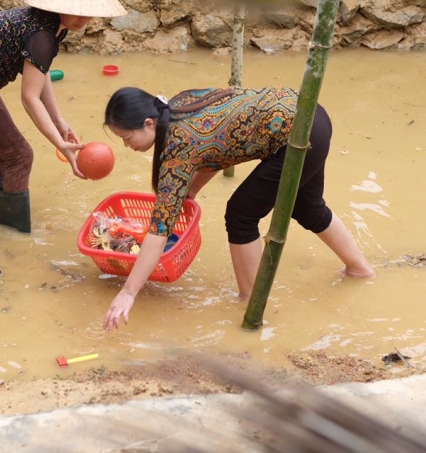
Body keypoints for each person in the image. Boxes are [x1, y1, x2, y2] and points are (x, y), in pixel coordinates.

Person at [101, 86, 376, 331]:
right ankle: (360, 270)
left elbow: (159, 230)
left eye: (127, 137)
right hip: (311, 114)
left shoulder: (177, 146)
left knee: (240, 215)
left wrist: (128, 292)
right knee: (308, 208)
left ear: (148, 124)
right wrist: (192, 191)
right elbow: (213, 149)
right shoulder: (179, 104)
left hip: (297, 137)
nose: (127, 145)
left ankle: (252, 303)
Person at [0, 0, 127, 233]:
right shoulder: (42, 34)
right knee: (20, 155)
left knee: (6, 147)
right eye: (77, 13)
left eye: (88, 15)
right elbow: (30, 97)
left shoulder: (51, 24)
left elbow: (40, 69)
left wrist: (59, 120)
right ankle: (12, 233)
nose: (83, 19)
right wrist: (60, 144)